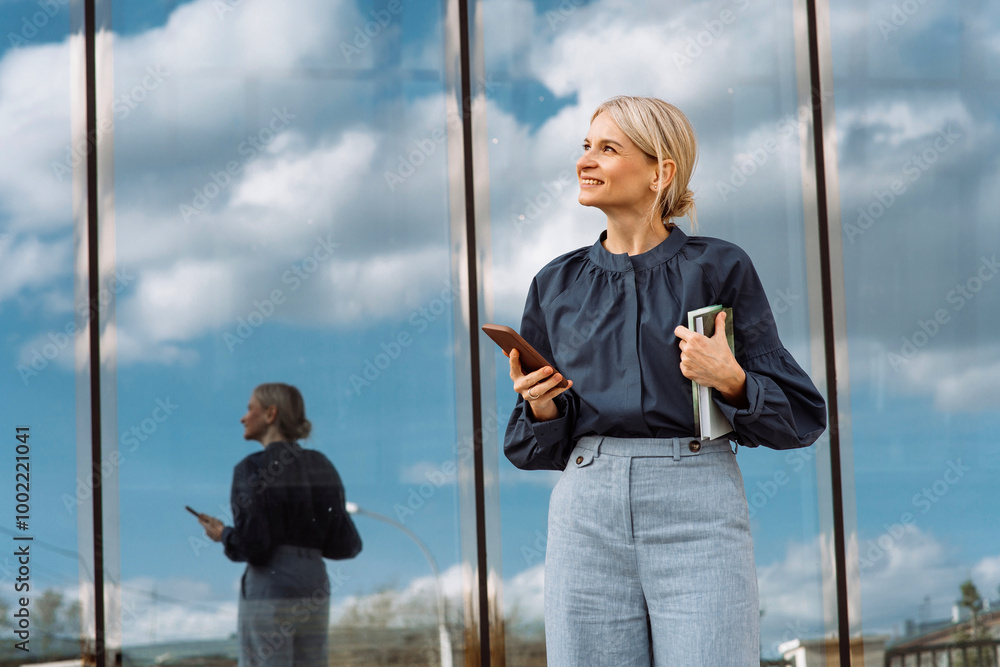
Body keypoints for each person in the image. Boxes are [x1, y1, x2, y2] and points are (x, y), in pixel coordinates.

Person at [503, 96, 827, 666]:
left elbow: (800, 417)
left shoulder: (721, 268)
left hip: (698, 503)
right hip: (587, 510)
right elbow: (532, 447)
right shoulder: (554, 284)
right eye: (585, 146)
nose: (585, 160)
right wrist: (543, 410)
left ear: (661, 172)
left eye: (608, 148)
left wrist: (731, 380)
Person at [198, 382, 361, 667]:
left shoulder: (251, 469)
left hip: (271, 580)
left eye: (250, 408)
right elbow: (346, 545)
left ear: (271, 414)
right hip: (314, 579)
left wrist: (223, 534)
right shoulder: (322, 465)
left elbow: (254, 546)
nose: (243, 417)